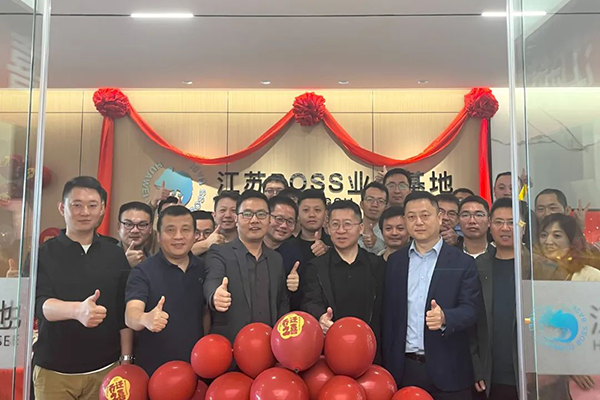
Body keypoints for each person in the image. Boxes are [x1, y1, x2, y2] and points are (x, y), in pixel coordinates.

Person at [34, 176, 132, 400]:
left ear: (102, 209)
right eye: (76, 205)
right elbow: (40, 304)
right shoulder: (44, 253)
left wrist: (126, 360)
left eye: (92, 205)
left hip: (106, 369)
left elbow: (123, 313)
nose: (85, 212)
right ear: (62, 208)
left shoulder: (114, 253)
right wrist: (77, 311)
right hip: (54, 372)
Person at [382, 191, 481, 399]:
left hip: (450, 371)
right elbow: (388, 315)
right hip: (404, 370)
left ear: (439, 217)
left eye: (425, 215)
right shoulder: (395, 262)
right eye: (411, 217)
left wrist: (446, 317)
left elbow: (472, 310)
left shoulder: (462, 262)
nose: (418, 222)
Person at [124, 206, 206, 376]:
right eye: (170, 230)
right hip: (155, 370)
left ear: (194, 235)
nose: (178, 236)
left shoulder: (204, 268)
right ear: (159, 236)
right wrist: (145, 318)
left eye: (185, 230)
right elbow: (131, 315)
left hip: (197, 368)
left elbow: (205, 314)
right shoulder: (143, 271)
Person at [204, 190, 290, 344]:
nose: (254, 220)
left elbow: (282, 301)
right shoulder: (220, 252)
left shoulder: (276, 259)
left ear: (269, 219)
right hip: (231, 345)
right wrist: (215, 295)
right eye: (247, 214)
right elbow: (212, 281)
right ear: (236, 219)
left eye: (261, 214)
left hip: (269, 345)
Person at [301, 200, 385, 353]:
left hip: (370, 348)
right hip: (330, 348)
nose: (341, 230)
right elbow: (310, 301)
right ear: (328, 229)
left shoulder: (377, 265)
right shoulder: (316, 266)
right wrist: (320, 317)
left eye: (347, 224)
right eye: (335, 225)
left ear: (360, 228)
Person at [470, 198, 520, 400]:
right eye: (499, 222)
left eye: (512, 222)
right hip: (489, 375)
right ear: (489, 225)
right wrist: (475, 367)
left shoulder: (538, 268)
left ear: (523, 226)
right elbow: (470, 323)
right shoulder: (476, 267)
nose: (505, 228)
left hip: (528, 376)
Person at [263, 195, 304, 310]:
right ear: (267, 217)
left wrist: (294, 289)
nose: (283, 226)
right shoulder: (252, 246)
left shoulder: (296, 256)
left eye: (290, 221)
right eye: (279, 219)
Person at [537, 213, 600, 281]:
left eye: (557, 236)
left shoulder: (591, 277)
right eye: (543, 235)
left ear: (572, 241)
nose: (548, 242)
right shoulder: (535, 273)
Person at [294, 189, 332, 263]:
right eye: (306, 210)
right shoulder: (286, 247)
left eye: (317, 210)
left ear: (325, 214)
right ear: (298, 214)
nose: (312, 215)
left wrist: (328, 251)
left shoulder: (335, 245)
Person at [117, 201, 154, 268]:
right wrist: (125, 265)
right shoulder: (103, 257)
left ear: (150, 228)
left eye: (142, 225)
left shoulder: (156, 262)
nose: (135, 230)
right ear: (118, 227)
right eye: (128, 224)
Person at [358, 182, 388, 255]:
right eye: (370, 199)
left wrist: (377, 243)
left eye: (380, 201)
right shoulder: (350, 230)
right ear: (361, 204)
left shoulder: (389, 233)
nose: (375, 204)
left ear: (386, 207)